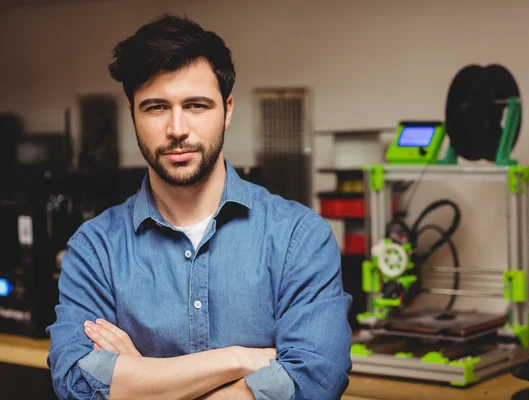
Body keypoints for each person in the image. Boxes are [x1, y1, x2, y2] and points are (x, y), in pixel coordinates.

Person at [46, 13, 352, 400]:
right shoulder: (95, 249)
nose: (177, 129)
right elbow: (76, 385)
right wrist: (240, 360)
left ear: (227, 110)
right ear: (132, 115)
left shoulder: (299, 238)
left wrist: (139, 381)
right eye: (156, 107)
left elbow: (313, 384)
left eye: (195, 105)